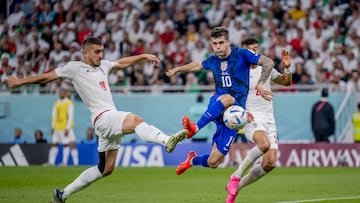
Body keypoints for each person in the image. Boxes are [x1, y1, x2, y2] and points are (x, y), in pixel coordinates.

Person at [6, 36, 188, 203]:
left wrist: (143, 56)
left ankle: (63, 194)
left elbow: (122, 63)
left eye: (102, 51)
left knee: (106, 168)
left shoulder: (104, 66)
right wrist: (19, 82)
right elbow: (46, 78)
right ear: (85, 52)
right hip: (102, 117)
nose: (101, 55)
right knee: (135, 120)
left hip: (108, 119)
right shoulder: (74, 68)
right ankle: (167, 140)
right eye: (97, 52)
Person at [165, 27, 275, 176]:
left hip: (234, 115)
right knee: (229, 98)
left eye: (221, 42)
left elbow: (268, 62)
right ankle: (195, 128)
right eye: (214, 43)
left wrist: (260, 83)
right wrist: (178, 69)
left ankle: (191, 160)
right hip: (218, 103)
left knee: (214, 162)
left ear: (229, 42)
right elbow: (197, 65)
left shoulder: (242, 54)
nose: (217, 46)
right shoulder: (213, 60)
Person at [225, 38, 292, 203]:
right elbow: (229, 96)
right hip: (250, 117)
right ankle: (235, 176)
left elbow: (286, 82)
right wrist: (240, 112)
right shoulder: (238, 72)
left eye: (256, 48)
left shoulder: (266, 68)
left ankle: (236, 188)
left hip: (269, 119)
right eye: (251, 50)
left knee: (270, 163)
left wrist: (287, 66)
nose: (255, 52)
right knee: (263, 145)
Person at [46, 84, 79, 167]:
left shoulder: (69, 103)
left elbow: (70, 116)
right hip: (57, 127)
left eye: (63, 92)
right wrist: (52, 127)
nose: (61, 93)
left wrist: (67, 128)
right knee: (54, 144)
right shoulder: (56, 103)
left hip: (66, 128)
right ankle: (51, 162)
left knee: (68, 144)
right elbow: (53, 116)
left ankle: (67, 163)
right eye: (60, 92)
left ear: (65, 93)